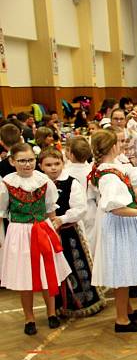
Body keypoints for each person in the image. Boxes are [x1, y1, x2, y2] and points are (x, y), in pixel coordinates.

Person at [89, 129, 137, 333]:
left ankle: (127, 310)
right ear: (111, 147)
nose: (122, 145)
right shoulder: (109, 176)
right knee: (121, 271)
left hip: (121, 223)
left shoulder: (112, 167)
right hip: (119, 224)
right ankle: (121, 319)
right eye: (118, 142)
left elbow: (135, 178)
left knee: (125, 268)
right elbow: (115, 207)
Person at [0, 143, 71, 335]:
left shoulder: (44, 180)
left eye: (30, 160)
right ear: (12, 161)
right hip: (19, 232)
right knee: (24, 276)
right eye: (22, 161)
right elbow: (2, 212)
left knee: (48, 272)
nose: (27, 164)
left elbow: (51, 209)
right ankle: (29, 317)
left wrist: (54, 231)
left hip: (42, 229)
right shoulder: (6, 183)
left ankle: (51, 313)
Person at [40, 148, 105, 318]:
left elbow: (80, 208)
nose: (53, 168)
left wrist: (61, 219)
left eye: (57, 163)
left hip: (69, 233)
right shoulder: (38, 184)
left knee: (76, 265)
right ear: (41, 166)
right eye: (48, 165)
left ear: (63, 163)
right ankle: (58, 306)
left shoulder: (71, 182)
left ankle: (87, 302)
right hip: (46, 233)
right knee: (53, 270)